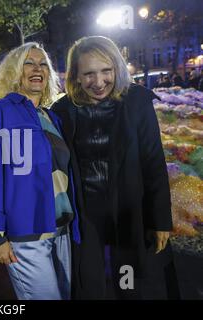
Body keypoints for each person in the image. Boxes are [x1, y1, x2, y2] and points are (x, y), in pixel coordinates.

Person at [53, 36, 177, 299]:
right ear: (75, 75)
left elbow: (153, 162)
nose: (98, 82)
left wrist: (160, 220)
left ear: (117, 68)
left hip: (128, 209)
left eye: (105, 71)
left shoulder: (137, 102)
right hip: (85, 213)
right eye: (88, 74)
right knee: (89, 283)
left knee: (128, 279)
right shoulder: (63, 109)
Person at [0, 42, 81, 300]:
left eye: (43, 64)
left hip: (60, 228)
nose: (37, 69)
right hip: (26, 234)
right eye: (29, 63)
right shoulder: (0, 114)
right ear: (15, 72)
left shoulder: (51, 117)